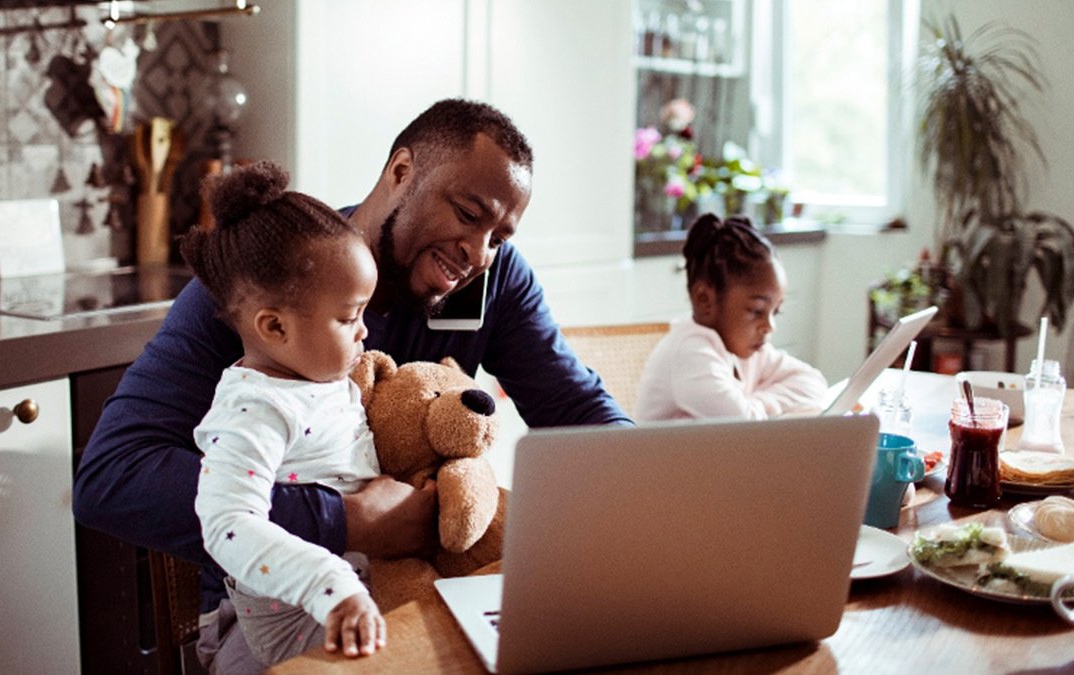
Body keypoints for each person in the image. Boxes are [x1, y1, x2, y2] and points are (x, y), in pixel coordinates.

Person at [72, 98, 630, 674]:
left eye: (500, 237)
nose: (479, 253)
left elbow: (577, 407)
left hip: (420, 588)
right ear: (401, 172)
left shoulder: (495, 283)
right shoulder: (272, 283)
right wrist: (347, 519)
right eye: (468, 213)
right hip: (281, 612)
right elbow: (112, 478)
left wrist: (655, 486)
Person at [185, 161, 385, 664]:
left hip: (364, 590)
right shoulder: (255, 408)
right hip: (302, 620)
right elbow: (228, 523)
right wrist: (332, 585)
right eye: (349, 317)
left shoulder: (318, 379)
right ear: (274, 328)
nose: (364, 332)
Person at [634, 213, 827, 421]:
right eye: (756, 311)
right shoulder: (689, 353)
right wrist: (756, 406)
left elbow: (814, 383)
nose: (769, 326)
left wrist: (757, 403)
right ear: (704, 299)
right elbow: (743, 423)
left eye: (775, 312)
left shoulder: (745, 350)